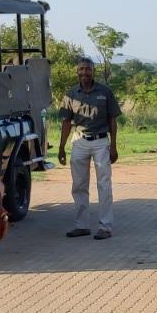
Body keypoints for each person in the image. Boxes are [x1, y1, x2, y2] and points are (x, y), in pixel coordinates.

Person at [57, 56, 121, 239]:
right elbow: (66, 123)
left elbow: (112, 120)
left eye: (88, 69)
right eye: (81, 69)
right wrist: (61, 147)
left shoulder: (105, 92)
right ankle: (81, 225)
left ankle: (105, 226)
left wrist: (113, 146)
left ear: (93, 71)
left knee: (104, 184)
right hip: (79, 141)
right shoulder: (71, 94)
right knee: (78, 185)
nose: (84, 72)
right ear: (77, 72)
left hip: (101, 142)